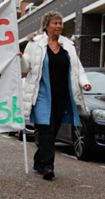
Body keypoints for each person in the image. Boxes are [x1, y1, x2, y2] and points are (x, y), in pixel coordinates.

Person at [20, 11, 91, 181]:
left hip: (62, 96)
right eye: (55, 23)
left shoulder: (68, 45)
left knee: (52, 132)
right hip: (42, 94)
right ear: (46, 25)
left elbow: (77, 67)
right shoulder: (34, 44)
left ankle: (39, 160)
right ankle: (48, 166)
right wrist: (20, 59)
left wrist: (84, 82)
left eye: (60, 23)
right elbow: (25, 70)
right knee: (46, 129)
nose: (58, 26)